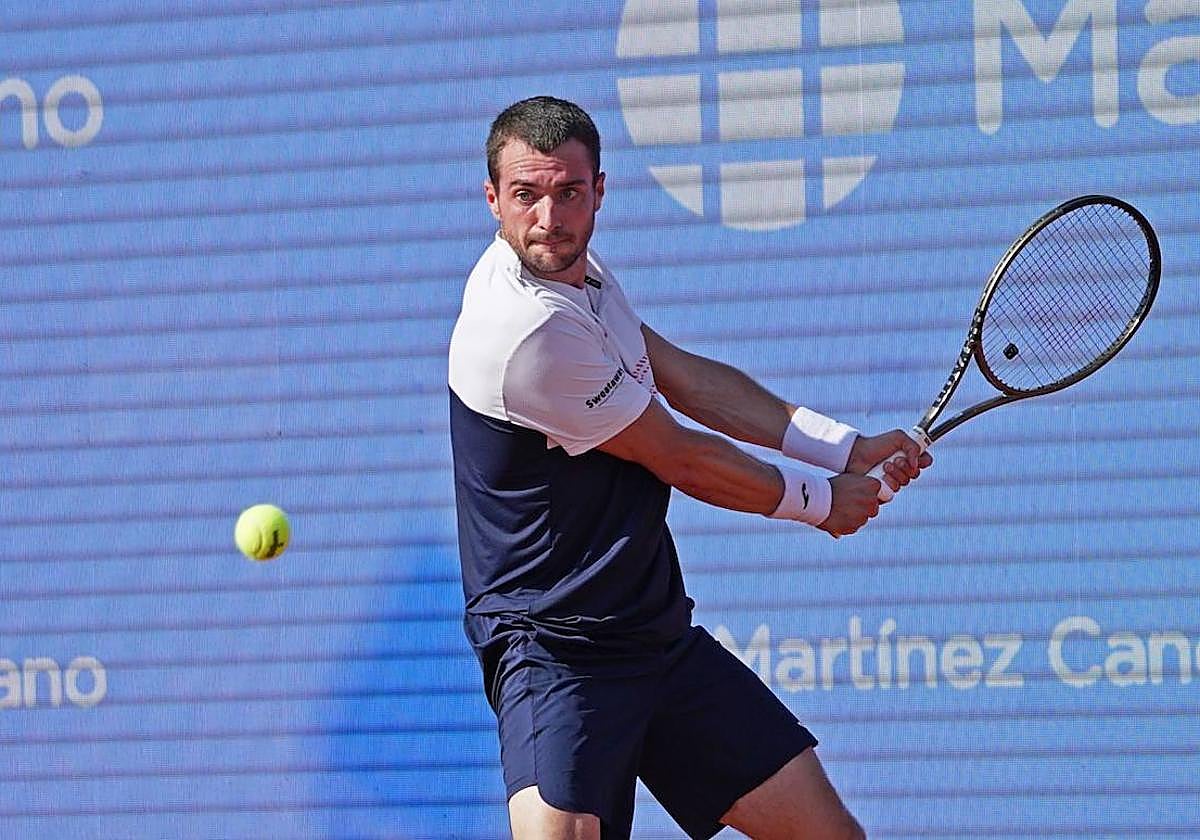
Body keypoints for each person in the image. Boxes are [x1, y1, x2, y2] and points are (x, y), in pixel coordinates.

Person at [448, 96, 931, 840]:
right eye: (526, 195)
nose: (549, 217)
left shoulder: (582, 277)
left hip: (654, 635)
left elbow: (683, 377)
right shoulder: (525, 331)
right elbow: (680, 456)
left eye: (569, 192)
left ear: (599, 191)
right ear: (493, 199)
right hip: (556, 651)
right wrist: (820, 502)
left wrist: (842, 448)